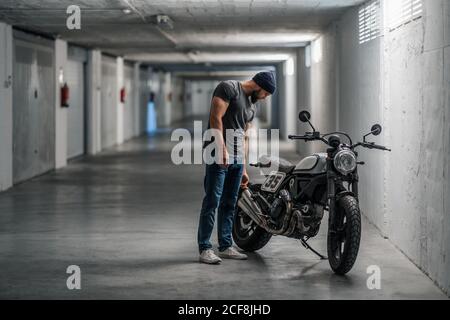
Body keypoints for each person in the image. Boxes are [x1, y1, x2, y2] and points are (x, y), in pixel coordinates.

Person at [197, 71, 276, 264]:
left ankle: (225, 245)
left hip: (237, 158)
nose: (265, 98)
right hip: (218, 153)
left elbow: (245, 137)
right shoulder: (229, 88)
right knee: (213, 200)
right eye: (266, 94)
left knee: (231, 202)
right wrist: (221, 147)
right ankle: (205, 248)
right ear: (260, 86)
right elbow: (216, 118)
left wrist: (244, 167)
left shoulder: (252, 106)